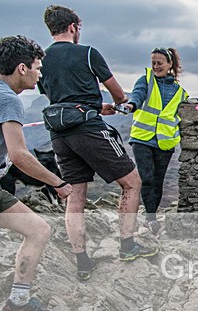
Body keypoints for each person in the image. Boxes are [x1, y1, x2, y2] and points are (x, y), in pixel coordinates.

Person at [38, 5, 157, 282]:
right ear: (73, 27)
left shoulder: (41, 59)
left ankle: (83, 262)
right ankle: (127, 246)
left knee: (75, 196)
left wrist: (90, 105)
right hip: (89, 129)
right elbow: (118, 94)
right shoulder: (88, 52)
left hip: (59, 133)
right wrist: (115, 105)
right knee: (132, 182)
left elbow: (58, 97)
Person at [0, 35, 73, 311]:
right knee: (38, 230)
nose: (40, 74)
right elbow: (20, 156)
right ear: (22, 68)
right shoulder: (7, 100)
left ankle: (18, 302)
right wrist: (58, 183)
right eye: (38, 68)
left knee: (38, 229)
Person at [124, 47, 188, 236]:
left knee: (158, 180)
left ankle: (152, 215)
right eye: (153, 63)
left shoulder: (180, 92)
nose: (155, 66)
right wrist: (131, 105)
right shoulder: (145, 80)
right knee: (147, 178)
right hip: (142, 139)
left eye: (159, 63)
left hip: (164, 142)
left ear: (169, 65)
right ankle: (150, 218)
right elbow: (138, 94)